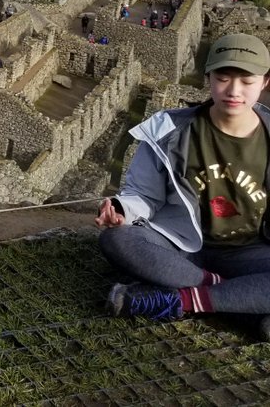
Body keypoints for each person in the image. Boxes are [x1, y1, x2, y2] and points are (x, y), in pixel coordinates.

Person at [98, 34, 270, 330]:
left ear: (264, 82)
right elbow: (144, 195)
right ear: (208, 77)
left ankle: (178, 301)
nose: (234, 90)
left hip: (250, 251)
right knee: (118, 238)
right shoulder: (170, 130)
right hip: (181, 247)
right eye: (223, 77)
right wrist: (123, 209)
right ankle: (232, 295)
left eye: (247, 81)